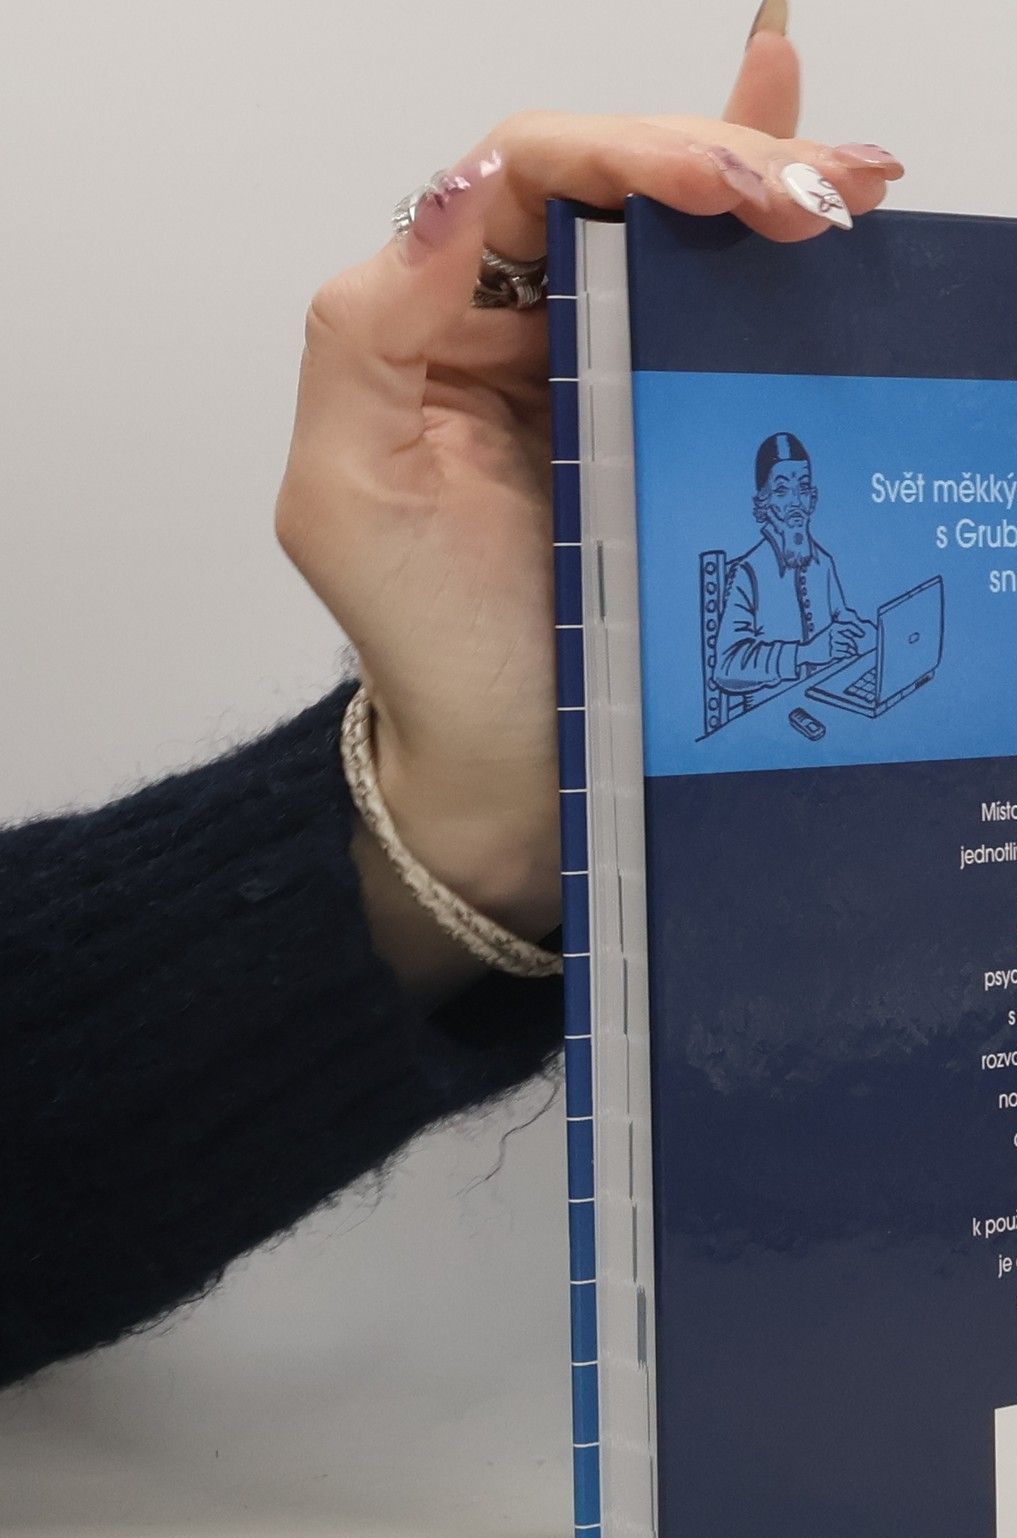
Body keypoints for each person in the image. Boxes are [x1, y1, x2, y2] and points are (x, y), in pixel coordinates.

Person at [0, 5, 904, 1391]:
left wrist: (479, 808)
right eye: (776, 493)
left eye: (797, 494)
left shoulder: (820, 561)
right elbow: (742, 672)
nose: (788, 512)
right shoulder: (737, 578)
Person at [716, 431, 873, 693]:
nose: (796, 502)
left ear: (813, 498)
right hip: (770, 708)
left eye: (803, 487)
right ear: (764, 502)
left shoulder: (823, 562)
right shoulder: (748, 572)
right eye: (781, 490)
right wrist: (804, 653)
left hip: (822, 698)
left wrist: (864, 633)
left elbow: (840, 616)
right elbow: (727, 666)